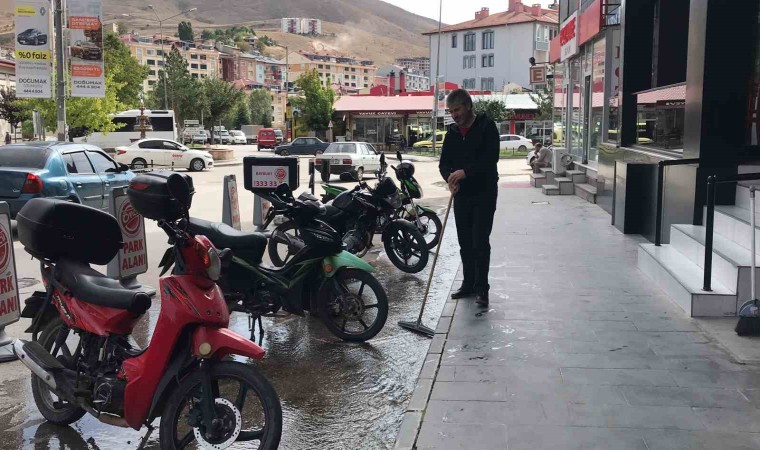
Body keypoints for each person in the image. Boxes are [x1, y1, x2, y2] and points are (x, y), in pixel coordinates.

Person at [439, 89, 500, 307]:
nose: (454, 115)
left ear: (468, 106)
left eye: (457, 110)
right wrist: (450, 178)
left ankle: (482, 288)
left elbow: (491, 158)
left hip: (484, 192)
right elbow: (444, 163)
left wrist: (466, 172)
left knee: (479, 241)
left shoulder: (486, 127)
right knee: (464, 242)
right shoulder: (452, 133)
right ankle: (468, 284)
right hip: (462, 195)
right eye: (451, 111)